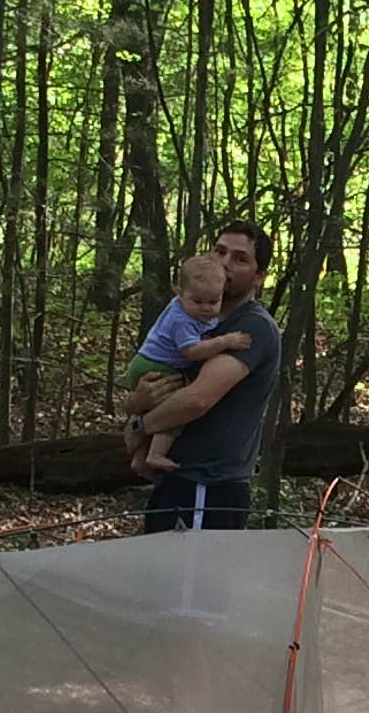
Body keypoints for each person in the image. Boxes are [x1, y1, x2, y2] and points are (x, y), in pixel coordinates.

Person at [122, 219, 281, 532]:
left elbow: (197, 400)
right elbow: (158, 378)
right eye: (219, 251)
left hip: (208, 486)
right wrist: (135, 403)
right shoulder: (193, 317)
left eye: (240, 259)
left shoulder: (252, 327)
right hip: (176, 480)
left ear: (259, 278)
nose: (224, 263)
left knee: (192, 567)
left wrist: (141, 426)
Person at [120, 252, 252, 480]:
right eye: (198, 302)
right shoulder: (181, 319)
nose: (206, 308)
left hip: (147, 362)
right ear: (179, 294)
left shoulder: (192, 311)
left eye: (213, 302)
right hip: (157, 364)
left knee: (151, 410)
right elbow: (192, 351)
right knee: (174, 408)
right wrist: (224, 341)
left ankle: (140, 458)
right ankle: (156, 454)